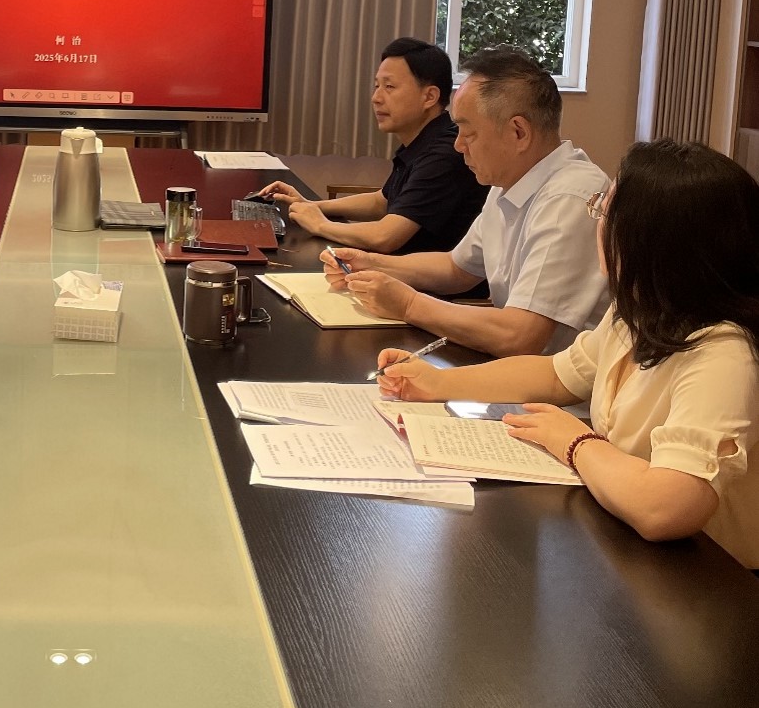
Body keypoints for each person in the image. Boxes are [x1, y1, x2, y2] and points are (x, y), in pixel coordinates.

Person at [375, 140, 759, 568]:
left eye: (604, 211)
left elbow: (667, 507)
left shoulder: (723, 353)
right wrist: (438, 382)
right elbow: (558, 375)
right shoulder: (639, 311)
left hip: (712, 578)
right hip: (631, 548)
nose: (598, 223)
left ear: (651, 239)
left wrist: (575, 441)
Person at [323, 45, 608, 355]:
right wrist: (371, 263)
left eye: (467, 133)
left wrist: (409, 304)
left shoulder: (570, 198)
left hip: (562, 380)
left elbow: (521, 335)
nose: (458, 146)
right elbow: (456, 269)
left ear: (518, 133)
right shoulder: (509, 180)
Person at [260, 37, 487, 252]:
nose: (376, 98)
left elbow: (385, 237)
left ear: (429, 97)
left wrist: (320, 224)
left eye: (389, 87)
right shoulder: (423, 140)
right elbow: (383, 201)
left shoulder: (445, 152)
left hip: (427, 279)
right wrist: (311, 205)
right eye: (376, 86)